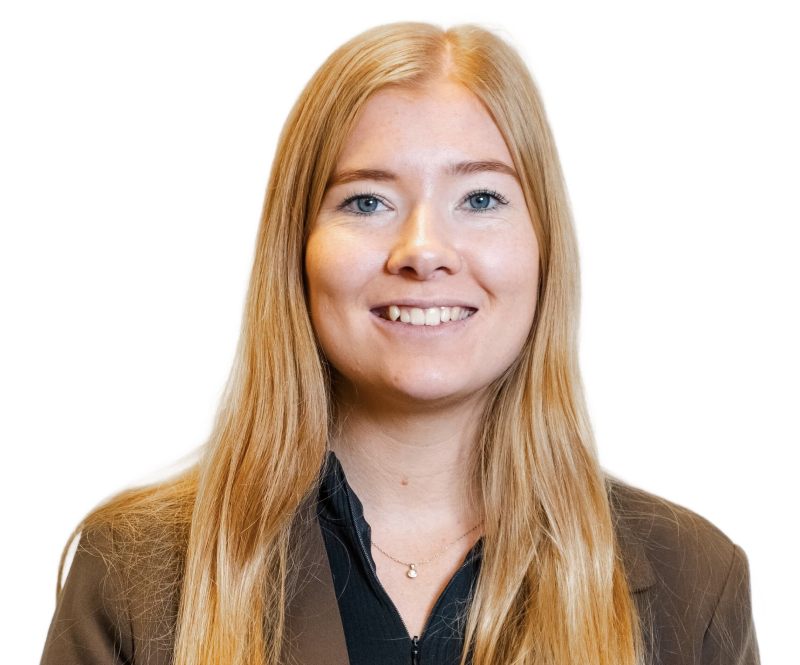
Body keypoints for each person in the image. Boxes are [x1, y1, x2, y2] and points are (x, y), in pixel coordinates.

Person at [37, 8, 763, 665]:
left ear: (545, 246)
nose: (423, 250)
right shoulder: (130, 565)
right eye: (367, 201)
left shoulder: (696, 581)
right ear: (297, 249)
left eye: (481, 197)